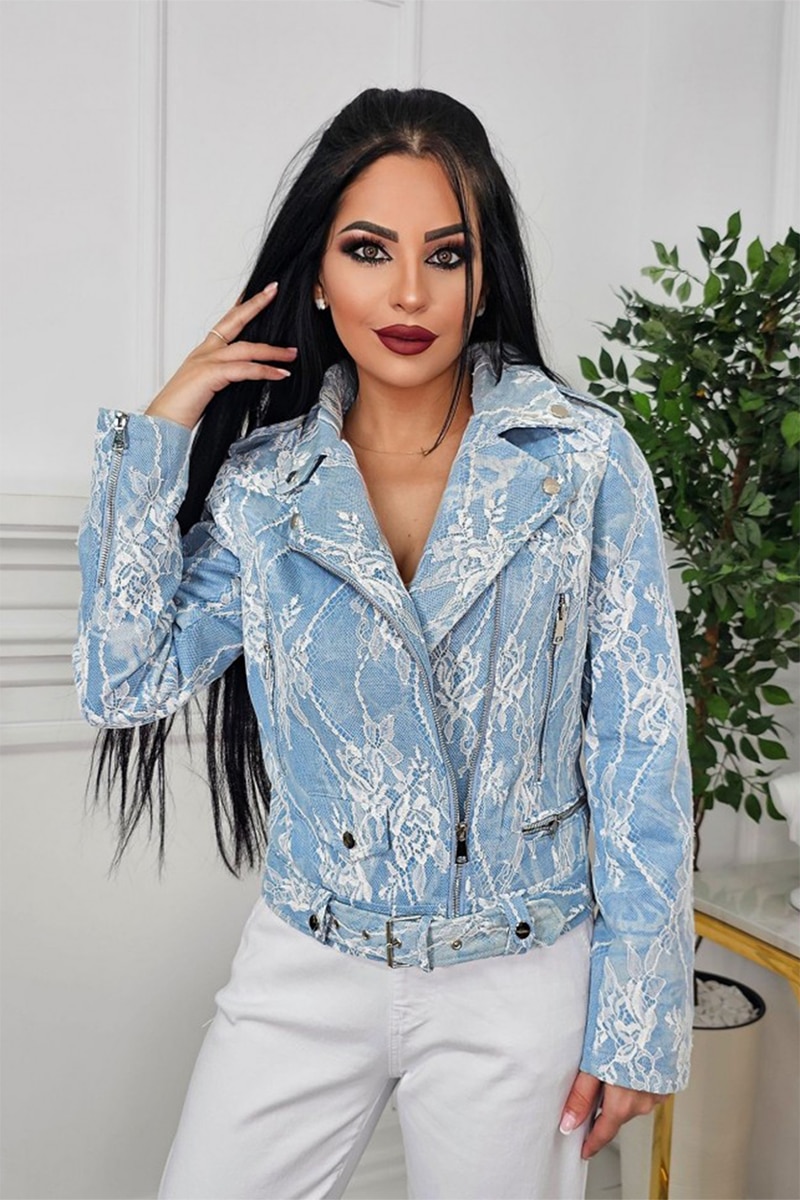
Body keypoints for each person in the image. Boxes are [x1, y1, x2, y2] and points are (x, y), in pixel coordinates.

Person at [73, 87, 694, 1200]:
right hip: (306, 961)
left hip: (520, 972)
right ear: (317, 274)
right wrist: (165, 428)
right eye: (368, 250)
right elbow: (123, 683)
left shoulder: (581, 461)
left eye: (444, 255)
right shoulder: (266, 487)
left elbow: (638, 746)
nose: (409, 293)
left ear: (484, 278)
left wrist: (638, 1020)